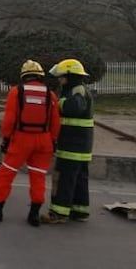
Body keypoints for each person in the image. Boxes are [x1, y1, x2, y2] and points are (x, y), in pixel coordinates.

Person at [0, 60, 61, 226]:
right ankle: (34, 214)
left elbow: (9, 120)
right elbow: (55, 122)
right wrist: (53, 141)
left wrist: (6, 139)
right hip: (44, 140)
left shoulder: (17, 92)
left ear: (24, 76)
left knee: (6, 175)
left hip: (21, 139)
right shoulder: (50, 95)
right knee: (38, 177)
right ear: (40, 76)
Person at [41, 58, 94, 224]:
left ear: (70, 76)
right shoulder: (79, 88)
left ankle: (58, 213)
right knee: (78, 178)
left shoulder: (77, 91)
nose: (60, 79)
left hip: (72, 144)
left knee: (63, 178)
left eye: (62, 76)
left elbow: (74, 108)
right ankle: (79, 210)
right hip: (80, 144)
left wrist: (58, 103)